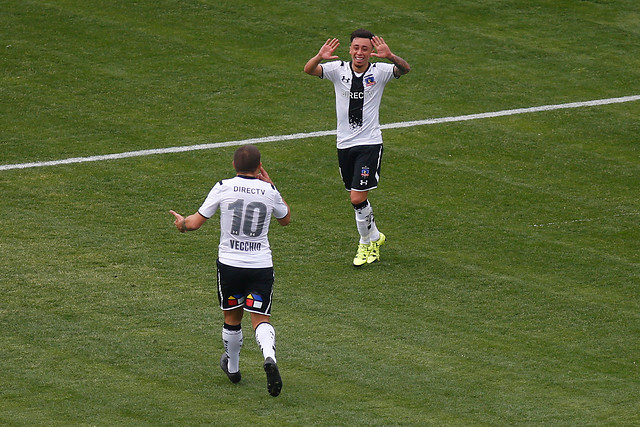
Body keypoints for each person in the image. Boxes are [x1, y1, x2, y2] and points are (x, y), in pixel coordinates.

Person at [169, 144, 290, 397]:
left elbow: (195, 223)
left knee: (232, 318)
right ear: (259, 167)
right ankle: (269, 357)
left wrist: (182, 225)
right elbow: (285, 218)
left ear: (234, 166)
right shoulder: (269, 190)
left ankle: (233, 369)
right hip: (260, 265)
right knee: (260, 318)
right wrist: (272, 185)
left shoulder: (223, 187)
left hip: (230, 266)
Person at [304, 29, 410, 266]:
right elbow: (309, 70)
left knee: (356, 198)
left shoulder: (380, 72)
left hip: (369, 143)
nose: (360, 53)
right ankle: (374, 236)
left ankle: (366, 245)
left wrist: (391, 56)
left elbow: (405, 69)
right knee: (355, 197)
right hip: (344, 144)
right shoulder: (337, 70)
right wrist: (319, 56)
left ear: (372, 52)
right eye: (356, 48)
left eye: (365, 48)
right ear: (350, 49)